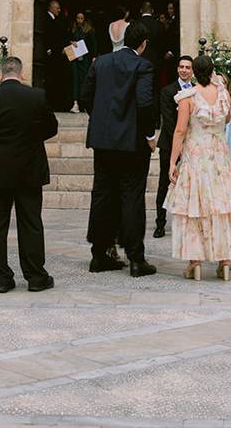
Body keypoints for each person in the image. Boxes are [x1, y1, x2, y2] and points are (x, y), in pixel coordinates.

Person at [0, 56, 59, 293]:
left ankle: (0, 278)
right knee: (30, 223)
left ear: (0, 75)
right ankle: (36, 277)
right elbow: (52, 127)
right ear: (22, 74)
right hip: (28, 169)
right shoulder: (36, 97)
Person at [80, 22, 157, 278]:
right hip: (131, 143)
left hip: (103, 142)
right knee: (131, 196)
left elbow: (85, 96)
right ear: (143, 43)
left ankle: (99, 254)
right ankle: (136, 258)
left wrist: (102, 121)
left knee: (102, 194)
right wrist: (149, 134)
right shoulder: (143, 65)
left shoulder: (100, 62)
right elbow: (145, 103)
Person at [165, 55, 231, 282]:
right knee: (221, 207)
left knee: (196, 208)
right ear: (212, 71)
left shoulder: (187, 98)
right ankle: (225, 262)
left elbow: (180, 131)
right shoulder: (223, 93)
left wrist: (172, 161)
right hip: (219, 157)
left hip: (195, 157)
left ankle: (196, 262)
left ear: (193, 72)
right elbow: (228, 118)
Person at [154, 55, 194, 238]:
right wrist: (180, 141)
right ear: (177, 69)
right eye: (181, 67)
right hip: (170, 143)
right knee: (164, 183)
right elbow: (169, 121)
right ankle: (160, 223)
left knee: (191, 185)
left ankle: (189, 222)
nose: (184, 70)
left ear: (192, 71)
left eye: (187, 67)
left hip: (192, 146)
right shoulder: (167, 91)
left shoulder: (197, 91)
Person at [44, 0, 70, 111]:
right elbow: (51, 37)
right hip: (52, 56)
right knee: (52, 80)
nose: (59, 10)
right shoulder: (47, 19)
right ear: (51, 8)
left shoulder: (55, 20)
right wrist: (58, 49)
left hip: (56, 54)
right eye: (57, 8)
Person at [69, 12, 96, 113]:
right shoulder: (72, 29)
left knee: (84, 80)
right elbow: (67, 40)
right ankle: (75, 103)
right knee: (75, 79)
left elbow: (93, 45)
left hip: (85, 59)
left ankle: (84, 103)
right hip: (75, 59)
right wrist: (71, 42)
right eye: (78, 18)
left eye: (81, 18)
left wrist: (93, 57)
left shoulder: (89, 31)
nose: (79, 20)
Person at [218, 73, 231, 161]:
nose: (221, 85)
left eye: (223, 83)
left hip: (227, 139)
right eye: (218, 83)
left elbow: (229, 125)